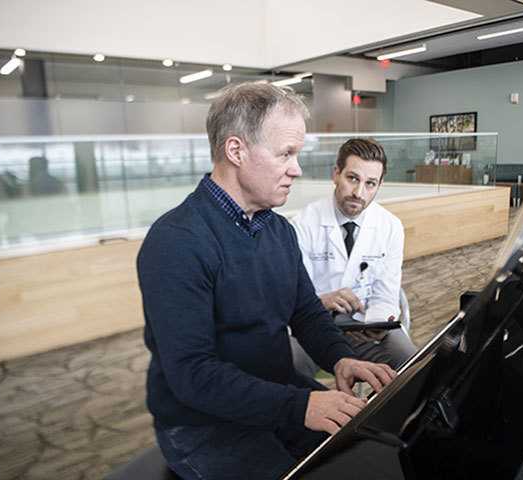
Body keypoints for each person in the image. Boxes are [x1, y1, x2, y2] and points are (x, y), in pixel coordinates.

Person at [136, 83, 396, 480]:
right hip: (204, 425)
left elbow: (306, 313)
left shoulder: (277, 230)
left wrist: (340, 357)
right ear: (236, 151)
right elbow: (193, 375)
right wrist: (301, 406)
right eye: (286, 154)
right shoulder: (176, 241)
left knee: (372, 455)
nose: (296, 168)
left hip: (274, 394)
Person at [290, 138, 417, 378]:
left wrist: (376, 323)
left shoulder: (390, 226)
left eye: (370, 184)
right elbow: (294, 297)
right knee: (290, 364)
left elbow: (386, 294)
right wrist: (323, 301)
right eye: (352, 179)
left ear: (380, 185)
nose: (359, 193)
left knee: (412, 362)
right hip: (313, 326)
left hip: (365, 330)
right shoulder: (303, 223)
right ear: (336, 174)